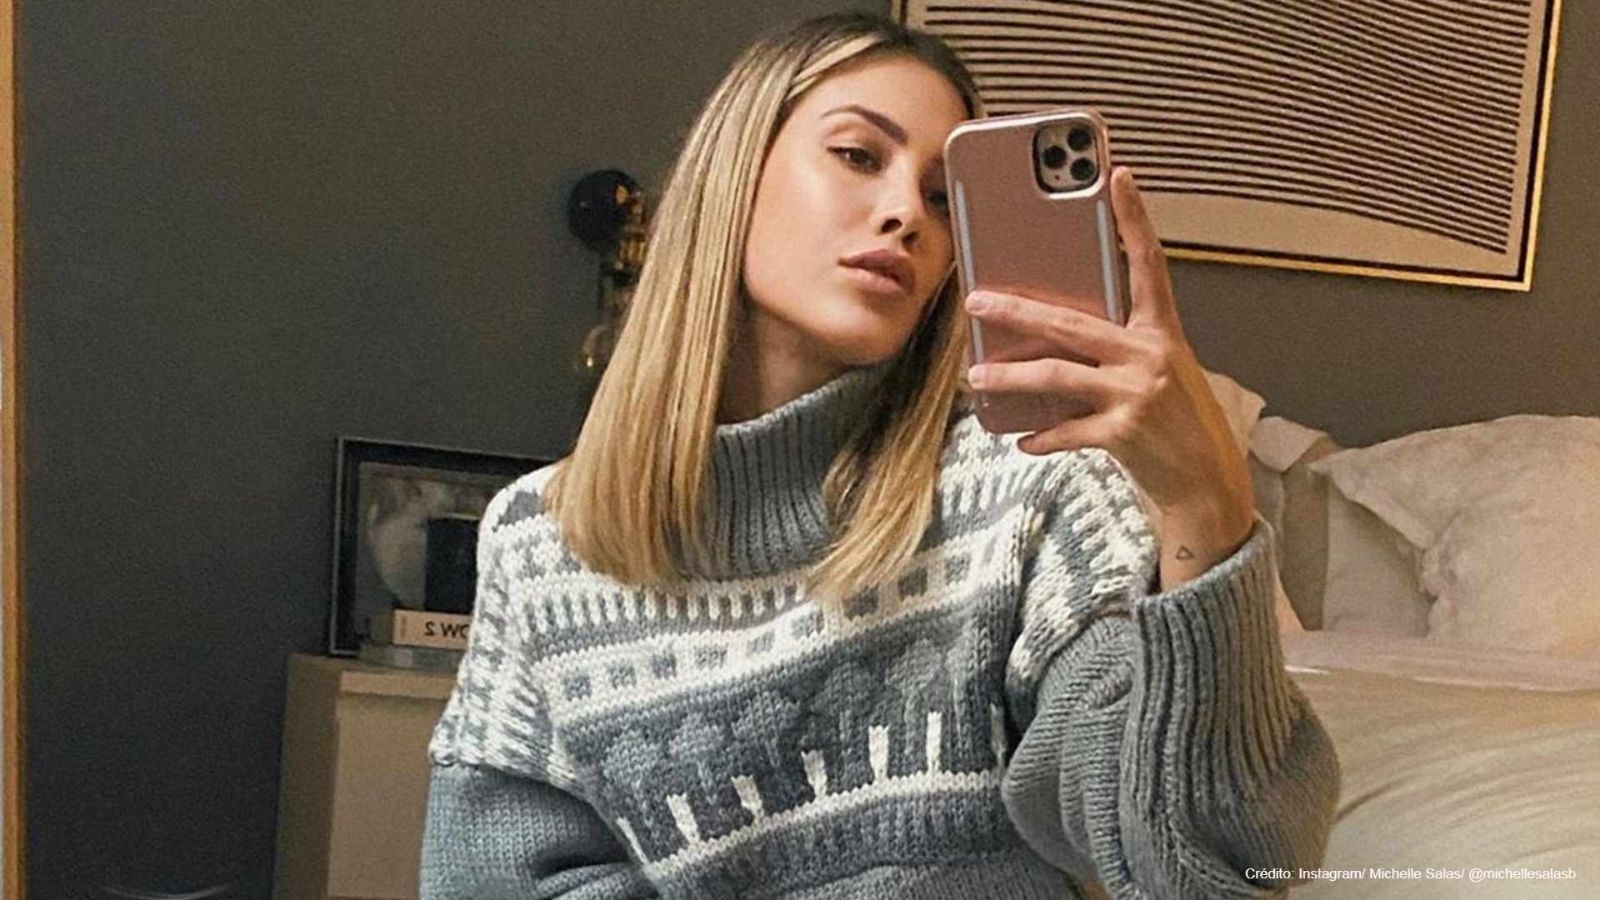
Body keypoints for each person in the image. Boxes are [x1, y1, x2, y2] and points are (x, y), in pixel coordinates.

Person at [420, 12, 1339, 899]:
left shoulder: (1034, 481)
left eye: (944, 199)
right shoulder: (540, 545)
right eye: (859, 156)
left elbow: (1206, 870)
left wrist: (1207, 508)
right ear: (734, 175)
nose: (906, 215)